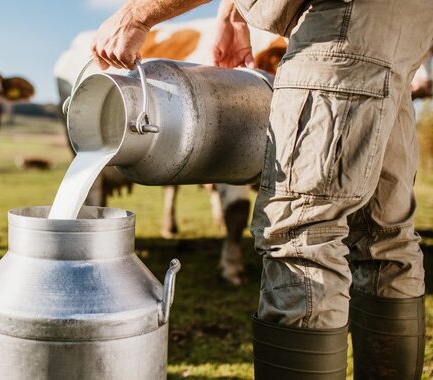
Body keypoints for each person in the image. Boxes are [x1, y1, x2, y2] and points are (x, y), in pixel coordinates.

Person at [91, 0, 432, 378]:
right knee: (381, 235)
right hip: (403, 22)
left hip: (340, 19)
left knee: (302, 235)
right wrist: (232, 13)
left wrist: (135, 14)